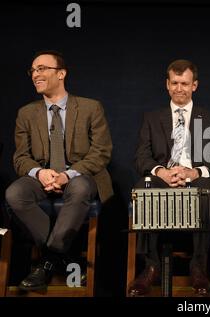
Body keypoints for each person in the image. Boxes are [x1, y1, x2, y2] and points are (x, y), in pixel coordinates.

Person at [5, 50, 113, 291]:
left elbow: (101, 152)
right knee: (14, 194)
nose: (35, 74)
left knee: (81, 186)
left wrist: (67, 174)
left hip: (79, 175)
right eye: (33, 70)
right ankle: (67, 255)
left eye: (42, 68)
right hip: (42, 177)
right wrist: (38, 173)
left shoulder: (90, 108)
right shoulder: (26, 113)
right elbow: (20, 157)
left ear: (61, 73)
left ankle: (48, 260)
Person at [130, 59, 210, 296]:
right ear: (167, 84)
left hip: (196, 178)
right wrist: (162, 171)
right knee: (143, 188)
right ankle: (150, 266)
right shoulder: (152, 118)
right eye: (174, 83)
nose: (179, 89)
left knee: (206, 187)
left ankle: (198, 267)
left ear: (195, 85)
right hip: (164, 176)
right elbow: (141, 158)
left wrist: (193, 172)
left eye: (184, 83)